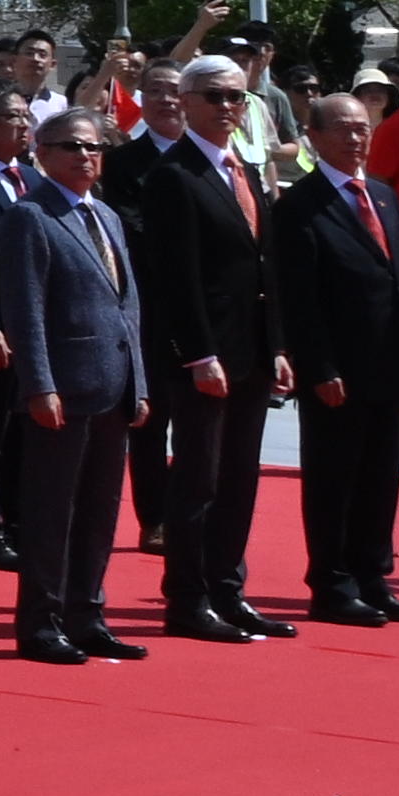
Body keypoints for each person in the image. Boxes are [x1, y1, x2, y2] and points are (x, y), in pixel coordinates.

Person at [110, 55, 284, 643]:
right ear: (186, 102)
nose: (228, 107)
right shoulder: (173, 175)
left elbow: (263, 266)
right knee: (198, 479)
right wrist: (196, 353)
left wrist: (277, 344)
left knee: (240, 477)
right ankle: (188, 596)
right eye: (215, 97)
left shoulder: (246, 170)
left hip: (252, 349)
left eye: (237, 97)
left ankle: (227, 589)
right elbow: (174, 276)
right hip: (203, 355)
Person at [0, 86, 151, 663]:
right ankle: (42, 622)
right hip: (63, 388)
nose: (85, 157)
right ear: (41, 154)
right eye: (72, 147)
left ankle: (87, 613)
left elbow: (128, 305)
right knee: (53, 512)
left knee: (101, 511)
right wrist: (39, 384)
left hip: (113, 384)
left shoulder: (105, 215)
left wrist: (140, 383)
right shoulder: (30, 216)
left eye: (95, 148)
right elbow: (25, 309)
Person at [268, 88, 399, 623]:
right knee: (335, 478)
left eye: (362, 127)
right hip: (338, 369)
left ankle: (373, 575)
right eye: (342, 128)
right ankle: (333, 583)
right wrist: (319, 366)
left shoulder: (382, 195)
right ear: (313, 138)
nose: (355, 137)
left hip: (390, 362)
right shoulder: (300, 206)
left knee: (381, 475)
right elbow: (300, 297)